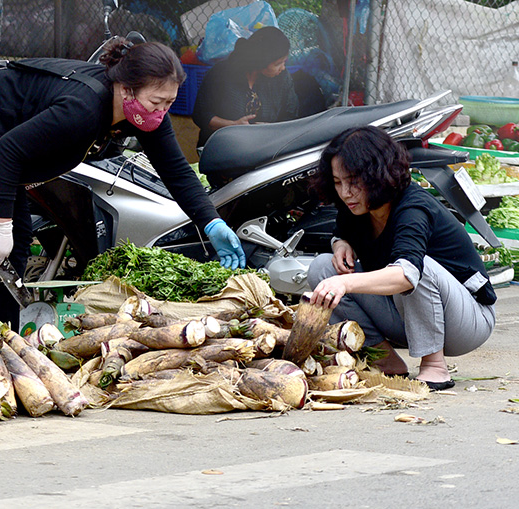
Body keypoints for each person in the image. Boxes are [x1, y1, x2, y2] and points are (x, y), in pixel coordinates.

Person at [0, 37, 246, 330]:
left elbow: (177, 171)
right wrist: (2, 225)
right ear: (126, 89)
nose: (162, 112)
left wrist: (210, 221)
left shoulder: (145, 113)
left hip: (3, 124)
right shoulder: (84, 109)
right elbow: (9, 151)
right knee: (18, 235)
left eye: (169, 102)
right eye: (156, 101)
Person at [307, 126, 495, 390]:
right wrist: (340, 244)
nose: (345, 192)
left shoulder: (413, 207)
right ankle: (385, 360)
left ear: (377, 175)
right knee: (322, 268)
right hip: (406, 318)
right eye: (338, 182)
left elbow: (407, 273)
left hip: (467, 322)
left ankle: (434, 366)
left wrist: (346, 284)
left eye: (353, 181)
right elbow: (340, 233)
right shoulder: (355, 207)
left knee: (419, 268)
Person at [192, 26, 299, 149]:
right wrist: (233, 125)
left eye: (284, 62)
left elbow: (291, 116)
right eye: (278, 64)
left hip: (267, 146)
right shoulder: (222, 73)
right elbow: (201, 115)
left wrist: (270, 129)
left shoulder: (282, 78)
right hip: (222, 146)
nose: (283, 68)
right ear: (262, 61)